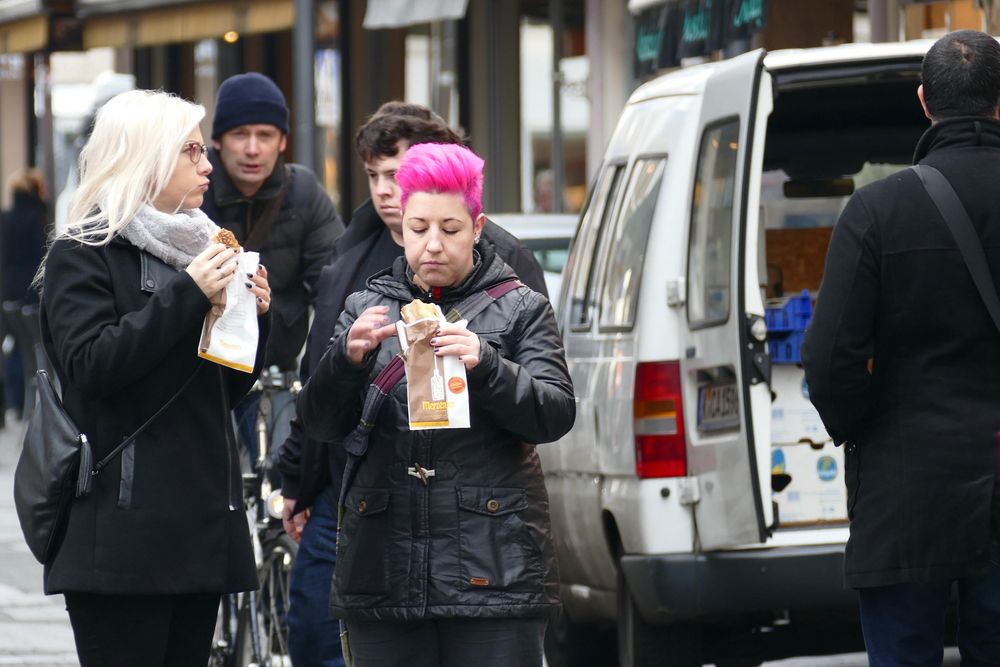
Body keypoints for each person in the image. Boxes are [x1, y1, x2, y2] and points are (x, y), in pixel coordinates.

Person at [275, 102, 549, 667]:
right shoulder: (365, 299)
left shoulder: (520, 303)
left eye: (449, 230)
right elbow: (323, 422)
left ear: (476, 227)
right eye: (416, 229)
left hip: (489, 564)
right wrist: (346, 362)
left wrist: (488, 367)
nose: (431, 244)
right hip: (385, 563)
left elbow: (553, 413)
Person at [37, 89, 272, 667]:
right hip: (120, 533)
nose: (207, 164)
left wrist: (249, 321)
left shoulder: (203, 245)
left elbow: (223, 391)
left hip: (199, 523)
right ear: (144, 158)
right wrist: (189, 295)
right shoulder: (84, 251)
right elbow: (92, 367)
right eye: (190, 151)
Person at [802, 30, 1000, 666]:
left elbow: (829, 359)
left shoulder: (877, 211)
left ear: (923, 101)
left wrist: (869, 429)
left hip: (908, 486)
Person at [201, 71, 344, 457]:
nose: (252, 149)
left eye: (265, 136)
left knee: (282, 472)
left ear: (282, 141)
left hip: (274, 365)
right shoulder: (194, 192)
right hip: (201, 368)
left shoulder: (303, 192)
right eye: (239, 134)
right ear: (216, 141)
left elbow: (333, 284)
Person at [1, 168, 46, 417]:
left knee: (14, 345)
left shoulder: (5, 218)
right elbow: (40, 254)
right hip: (30, 286)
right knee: (31, 346)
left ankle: (16, 403)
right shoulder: (37, 216)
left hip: (8, 286)